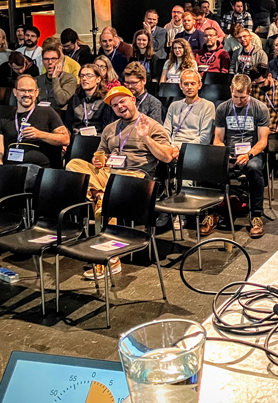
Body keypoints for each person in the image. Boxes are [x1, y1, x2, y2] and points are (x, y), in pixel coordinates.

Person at [66, 86, 175, 276]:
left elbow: (167, 157)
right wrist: (98, 160)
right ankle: (101, 196)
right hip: (110, 175)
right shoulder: (110, 129)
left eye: (122, 101)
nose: (119, 107)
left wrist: (146, 138)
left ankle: (111, 258)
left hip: (136, 178)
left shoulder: (152, 126)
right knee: (74, 165)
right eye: (115, 105)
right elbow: (100, 156)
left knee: (109, 192)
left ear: (133, 100)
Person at [213, 74, 271, 238]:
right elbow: (217, 139)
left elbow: (263, 141)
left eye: (243, 98)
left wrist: (248, 154)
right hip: (230, 152)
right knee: (212, 165)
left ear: (250, 92)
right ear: (230, 90)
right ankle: (214, 212)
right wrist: (226, 156)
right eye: (235, 97)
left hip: (252, 153)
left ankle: (256, 215)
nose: (238, 101)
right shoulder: (223, 108)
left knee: (253, 168)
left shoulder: (260, 108)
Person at [0, 74, 69, 169]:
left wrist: (40, 134)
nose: (27, 94)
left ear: (37, 93)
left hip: (36, 169)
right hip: (11, 169)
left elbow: (65, 139)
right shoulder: (3, 119)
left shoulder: (47, 112)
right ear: (15, 92)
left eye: (30, 90)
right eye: (22, 90)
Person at [164, 68, 215, 149]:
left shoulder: (208, 106)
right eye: (186, 84)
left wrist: (180, 148)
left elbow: (205, 138)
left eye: (193, 83)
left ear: (199, 85)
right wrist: (168, 146)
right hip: (171, 147)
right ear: (180, 86)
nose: (189, 87)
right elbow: (165, 132)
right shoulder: (174, 105)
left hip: (193, 149)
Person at [65, 63, 115, 136]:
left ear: (98, 79)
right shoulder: (75, 98)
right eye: (82, 76)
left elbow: (108, 126)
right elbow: (68, 124)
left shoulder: (106, 100)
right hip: (77, 137)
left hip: (98, 138)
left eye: (89, 76)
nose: (84, 79)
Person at [37, 45, 78, 111]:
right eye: (46, 59)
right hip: (41, 113)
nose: (50, 62)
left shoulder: (69, 79)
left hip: (61, 115)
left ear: (59, 61)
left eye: (53, 59)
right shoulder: (38, 80)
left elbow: (61, 101)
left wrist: (55, 78)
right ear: (42, 62)